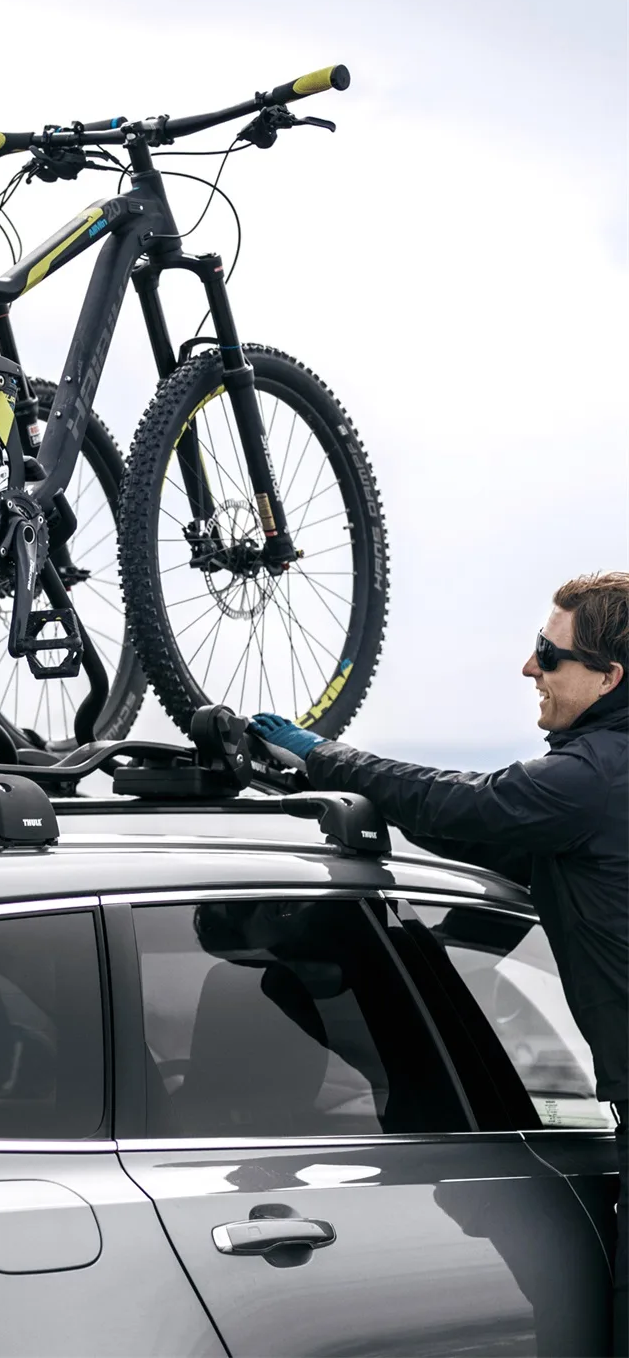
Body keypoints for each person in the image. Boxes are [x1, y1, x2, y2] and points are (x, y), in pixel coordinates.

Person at [252, 570, 628, 1355]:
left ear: (609, 678)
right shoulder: (596, 790)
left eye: (547, 653)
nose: (528, 667)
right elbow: (477, 829)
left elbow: (466, 805)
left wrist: (325, 756)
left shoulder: (594, 777)